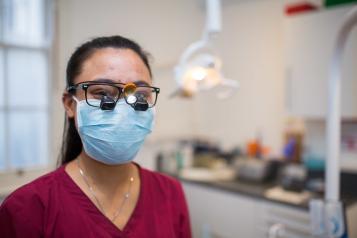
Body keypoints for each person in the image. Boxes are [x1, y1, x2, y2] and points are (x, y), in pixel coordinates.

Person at [0, 35, 192, 238]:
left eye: (140, 94)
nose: (124, 109)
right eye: (102, 93)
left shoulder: (170, 193)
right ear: (70, 104)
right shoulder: (28, 207)